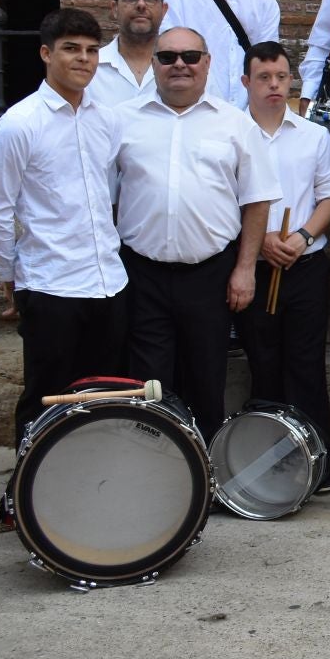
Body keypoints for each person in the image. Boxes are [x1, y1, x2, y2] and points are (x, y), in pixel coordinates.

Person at [0, 9, 131, 456]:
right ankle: (30, 494)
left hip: (109, 283)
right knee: (46, 398)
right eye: (70, 49)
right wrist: (8, 275)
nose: (82, 59)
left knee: (106, 396)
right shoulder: (19, 124)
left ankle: (91, 488)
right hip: (50, 284)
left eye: (90, 50)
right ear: (47, 54)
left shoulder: (108, 120)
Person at [115, 26, 277, 441]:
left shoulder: (235, 124)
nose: (180, 65)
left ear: (207, 63)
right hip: (141, 272)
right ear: (154, 65)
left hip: (211, 274)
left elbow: (257, 199)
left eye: (190, 56)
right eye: (168, 57)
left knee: (207, 375)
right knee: (147, 384)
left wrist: (245, 269)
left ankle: (203, 473)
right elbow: (105, 196)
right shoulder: (122, 120)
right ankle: (153, 471)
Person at [234, 41, 330, 494]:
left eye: (281, 77)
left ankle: (320, 459)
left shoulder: (312, 135)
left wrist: (299, 238)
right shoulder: (231, 132)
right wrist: (260, 246)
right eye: (264, 78)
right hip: (252, 265)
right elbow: (221, 200)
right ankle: (271, 458)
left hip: (304, 263)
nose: (274, 85)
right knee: (263, 362)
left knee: (305, 362)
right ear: (247, 82)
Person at [88, 0, 167, 107]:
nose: (141, 4)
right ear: (115, 9)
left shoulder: (185, 67)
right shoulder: (90, 67)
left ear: (164, 10)